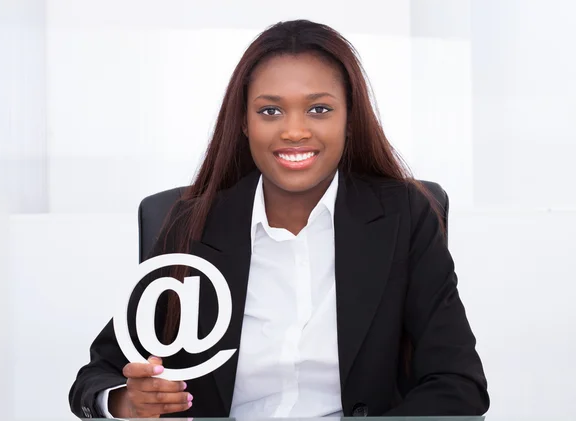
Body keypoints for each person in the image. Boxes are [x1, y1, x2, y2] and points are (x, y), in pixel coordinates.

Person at [68, 19, 489, 419]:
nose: (294, 131)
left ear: (349, 120)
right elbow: (96, 377)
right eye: (270, 111)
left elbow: (459, 385)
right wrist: (124, 401)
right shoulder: (192, 225)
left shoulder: (404, 217)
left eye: (319, 109)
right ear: (245, 123)